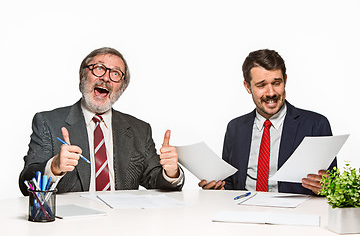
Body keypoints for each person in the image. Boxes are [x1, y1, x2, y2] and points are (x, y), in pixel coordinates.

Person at [19, 47, 184, 195]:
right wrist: (53, 167)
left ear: (122, 88)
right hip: (70, 225)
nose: (105, 77)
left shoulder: (140, 129)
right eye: (98, 68)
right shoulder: (48, 122)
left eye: (115, 73)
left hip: (123, 222)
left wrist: (171, 173)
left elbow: (155, 180)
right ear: (83, 75)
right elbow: (25, 184)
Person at [199, 49, 336, 195]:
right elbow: (230, 184)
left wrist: (329, 187)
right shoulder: (235, 128)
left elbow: (333, 184)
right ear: (247, 86)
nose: (271, 93)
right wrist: (217, 189)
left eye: (276, 83)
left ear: (285, 80)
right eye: (261, 85)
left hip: (295, 214)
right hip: (243, 212)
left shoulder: (316, 125)